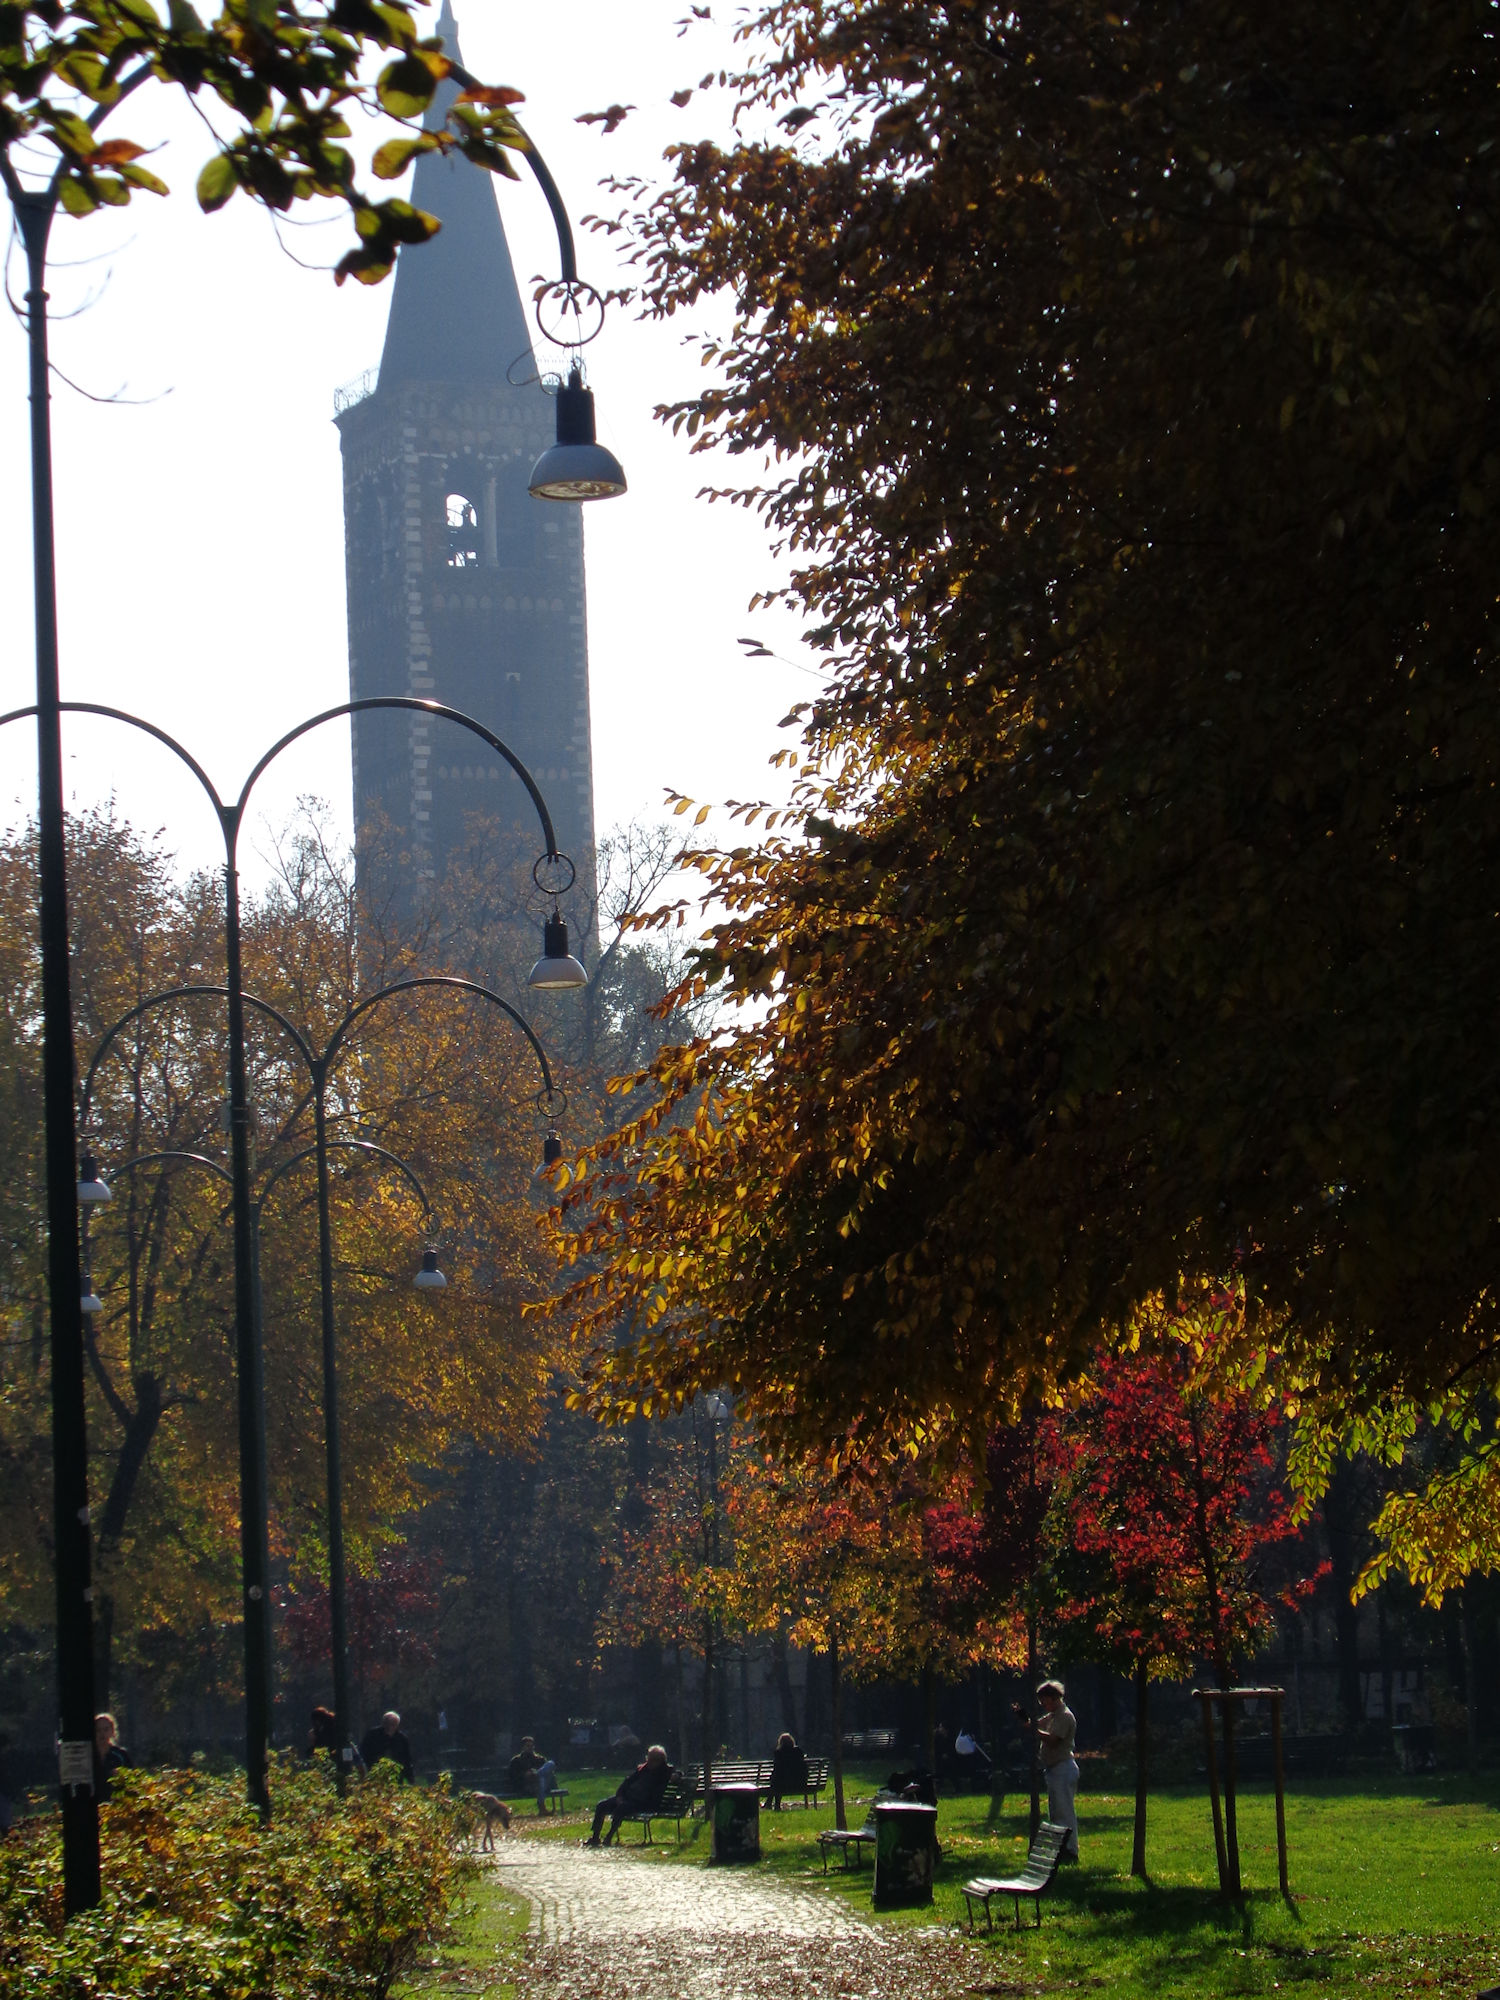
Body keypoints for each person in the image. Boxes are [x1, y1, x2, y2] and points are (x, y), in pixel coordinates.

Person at [1019, 1680, 1079, 1859]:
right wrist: (1024, 1719)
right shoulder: (1053, 1715)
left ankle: (1070, 1849)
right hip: (1054, 1768)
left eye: (1044, 1701)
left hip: (1063, 1767)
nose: (1043, 1705)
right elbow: (1036, 1725)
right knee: (1056, 1812)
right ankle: (1061, 1849)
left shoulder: (1065, 1716)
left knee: (1064, 1812)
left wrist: (1034, 1732)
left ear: (1054, 1698)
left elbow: (1053, 1740)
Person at [584, 1744, 672, 1847]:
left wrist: (677, 1776)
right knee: (602, 1805)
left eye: (653, 1759)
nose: (650, 1762)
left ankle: (609, 1836)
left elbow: (676, 1773)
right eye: (649, 1758)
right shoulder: (643, 1769)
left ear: (660, 1760)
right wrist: (619, 1796)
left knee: (622, 1808)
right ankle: (595, 1837)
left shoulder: (665, 1771)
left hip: (645, 1803)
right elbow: (627, 1782)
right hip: (629, 1799)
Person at [359, 1710, 414, 1782]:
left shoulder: (402, 1739)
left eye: (393, 1724)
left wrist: (409, 1777)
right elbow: (364, 1752)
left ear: (397, 1725)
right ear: (383, 1723)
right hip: (375, 1772)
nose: (390, 1727)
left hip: (396, 1774)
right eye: (387, 1723)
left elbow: (407, 1759)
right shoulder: (372, 1735)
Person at [764, 1731, 809, 1810]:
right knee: (779, 1780)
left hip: (782, 1784)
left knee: (777, 1780)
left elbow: (777, 1770)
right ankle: (770, 1803)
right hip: (799, 1783)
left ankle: (773, 1804)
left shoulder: (778, 1753)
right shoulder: (798, 1751)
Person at [93, 1712, 133, 1799]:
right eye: (98, 1730)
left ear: (112, 1731)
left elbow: (131, 1780)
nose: (102, 1733)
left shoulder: (120, 1754)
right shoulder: (89, 1756)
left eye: (106, 1729)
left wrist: (120, 1776)